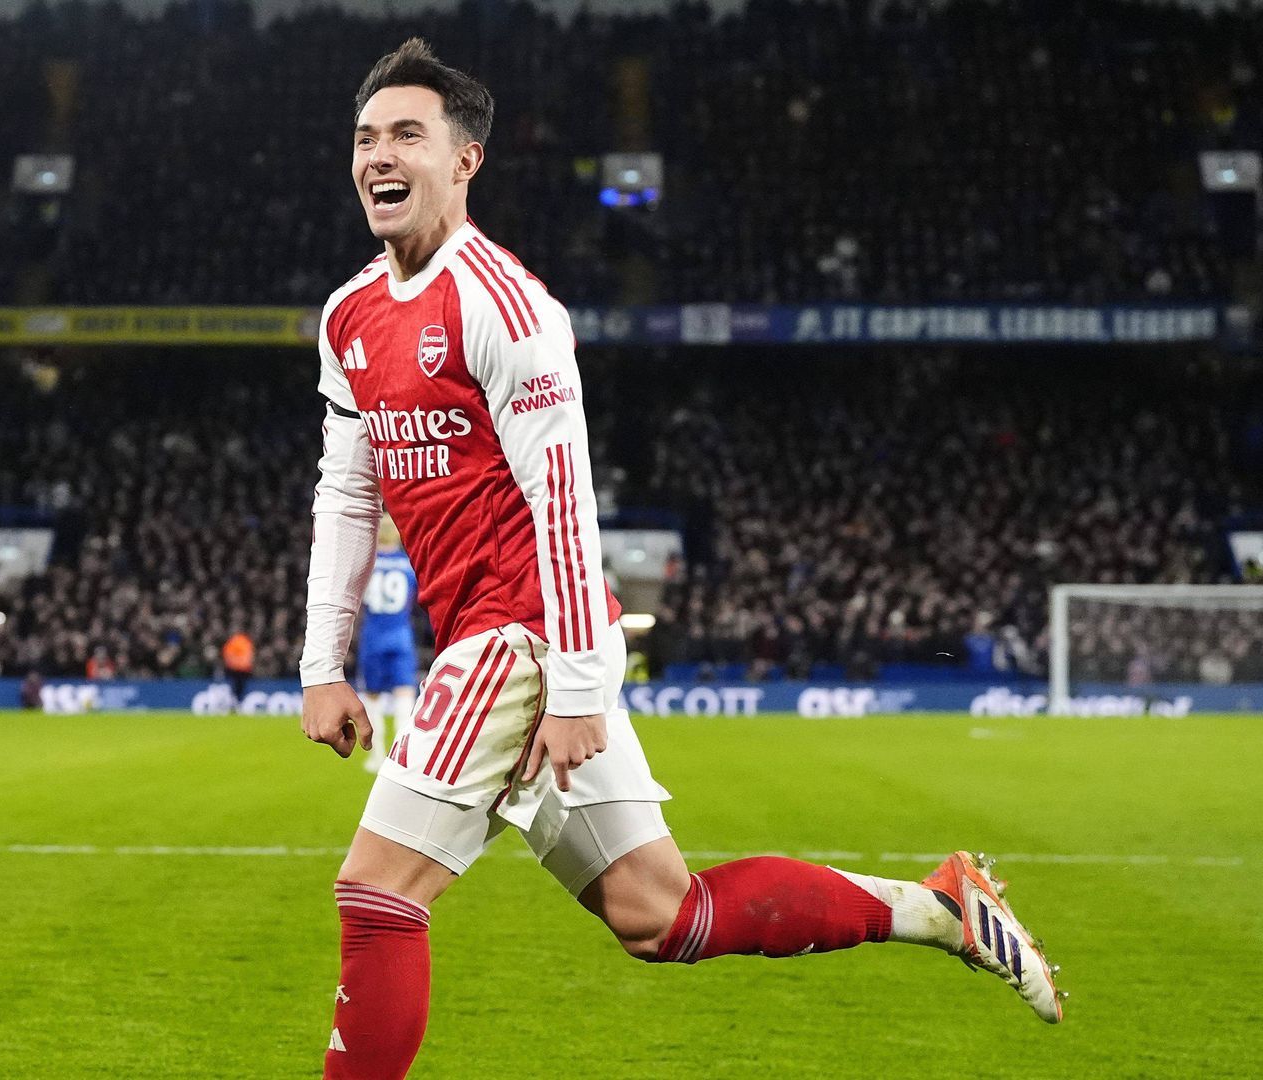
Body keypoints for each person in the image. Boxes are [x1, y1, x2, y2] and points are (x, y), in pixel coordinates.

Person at [297, 40, 1064, 1080]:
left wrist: (571, 682)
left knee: (378, 894)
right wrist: (323, 664)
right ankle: (940, 908)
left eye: (406, 135)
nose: (378, 156)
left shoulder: (506, 308)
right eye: (365, 138)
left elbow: (564, 505)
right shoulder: (349, 316)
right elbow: (349, 491)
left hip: (524, 634)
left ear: (466, 159)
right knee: (665, 914)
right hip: (507, 639)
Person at [356, 515, 420, 773]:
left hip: (373, 636)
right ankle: (402, 756)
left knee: (372, 695)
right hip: (401, 635)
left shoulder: (366, 566)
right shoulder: (408, 566)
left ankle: (376, 755)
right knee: (405, 693)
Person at [222, 631, 255, 700]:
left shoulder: (244, 643)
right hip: (236, 670)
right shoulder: (233, 644)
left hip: (242, 671)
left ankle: (236, 700)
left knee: (238, 686)